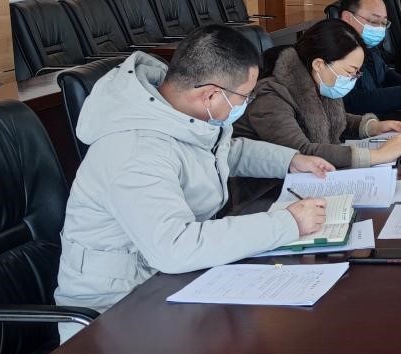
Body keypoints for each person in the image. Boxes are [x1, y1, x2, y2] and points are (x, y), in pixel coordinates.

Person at [55, 25, 333, 334]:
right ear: (210, 94)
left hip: (164, 283)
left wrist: (289, 160)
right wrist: (287, 223)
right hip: (112, 312)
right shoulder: (135, 151)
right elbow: (175, 247)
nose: (246, 104)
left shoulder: (174, 109)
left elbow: (223, 151)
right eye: (244, 96)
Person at [234, 20, 401, 168]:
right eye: (350, 71)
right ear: (319, 64)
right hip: (270, 192)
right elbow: (301, 153)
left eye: (357, 73)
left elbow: (331, 120)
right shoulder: (271, 97)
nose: (354, 78)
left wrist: (373, 127)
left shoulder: (317, 83)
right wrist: (377, 155)